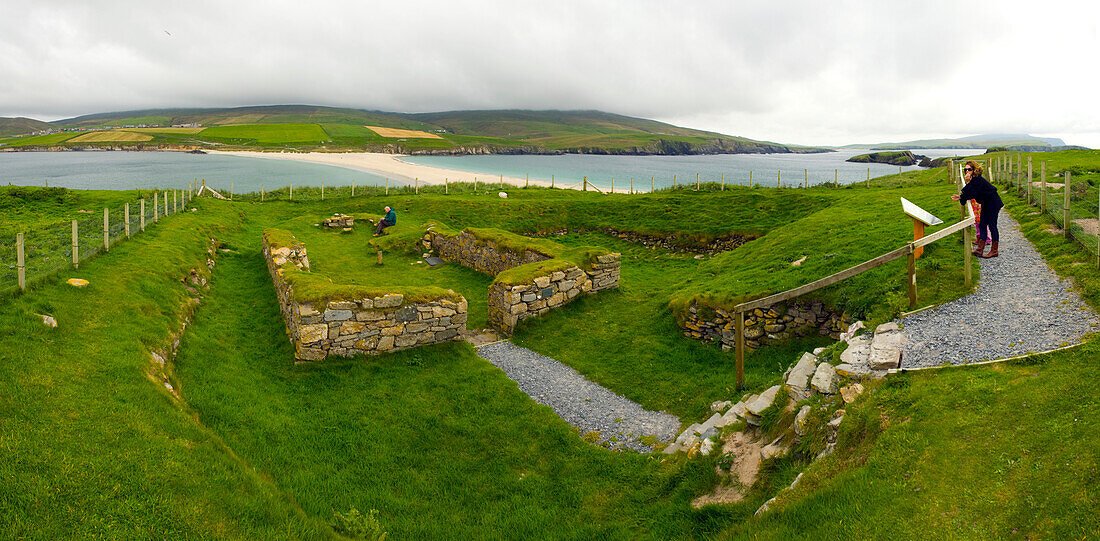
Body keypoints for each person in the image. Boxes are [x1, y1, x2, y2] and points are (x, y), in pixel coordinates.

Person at [951, 160, 1002, 258]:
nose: (967, 171)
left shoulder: (977, 179)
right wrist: (961, 197)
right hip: (986, 203)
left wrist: (964, 193)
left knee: (992, 226)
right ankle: (979, 250)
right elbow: (970, 192)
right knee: (982, 224)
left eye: (969, 169)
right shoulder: (974, 179)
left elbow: (971, 192)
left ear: (974, 170)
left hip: (993, 202)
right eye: (965, 169)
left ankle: (994, 251)